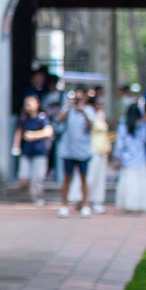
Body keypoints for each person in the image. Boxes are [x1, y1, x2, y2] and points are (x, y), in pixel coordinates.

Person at [55, 90, 94, 218]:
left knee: (83, 178)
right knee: (67, 177)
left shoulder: (88, 110)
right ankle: (64, 205)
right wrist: (69, 106)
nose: (77, 101)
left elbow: (91, 126)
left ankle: (85, 205)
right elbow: (59, 120)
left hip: (83, 151)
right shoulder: (68, 110)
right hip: (68, 151)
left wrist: (82, 111)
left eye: (79, 98)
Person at [12, 94, 55, 207]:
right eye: (26, 103)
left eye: (30, 103)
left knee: (37, 178)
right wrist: (16, 146)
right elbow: (19, 131)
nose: (28, 106)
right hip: (26, 152)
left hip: (39, 152)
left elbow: (49, 131)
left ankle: (37, 197)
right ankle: (28, 195)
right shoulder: (23, 118)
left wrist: (34, 135)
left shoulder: (42, 117)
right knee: (23, 177)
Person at [113, 108, 146, 213]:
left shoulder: (123, 126)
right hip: (141, 158)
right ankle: (142, 205)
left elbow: (120, 144)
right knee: (141, 183)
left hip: (127, 159)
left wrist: (117, 158)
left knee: (129, 184)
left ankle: (129, 206)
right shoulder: (144, 126)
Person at [85, 94, 111, 215]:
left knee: (99, 178)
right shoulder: (88, 113)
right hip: (91, 150)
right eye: (97, 104)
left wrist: (107, 149)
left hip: (101, 150)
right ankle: (85, 201)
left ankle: (97, 201)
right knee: (89, 177)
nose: (99, 106)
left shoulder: (101, 115)